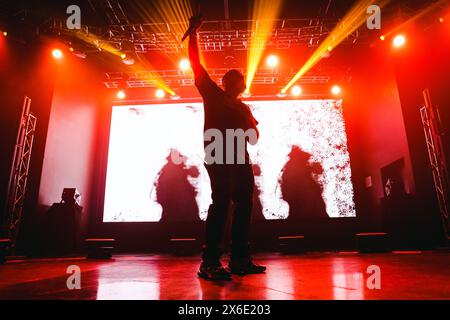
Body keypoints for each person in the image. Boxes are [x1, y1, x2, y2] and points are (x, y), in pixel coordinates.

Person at [188, 14, 266, 280]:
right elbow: (196, 66)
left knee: (244, 206)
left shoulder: (244, 107)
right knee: (220, 204)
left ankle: (239, 260)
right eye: (234, 79)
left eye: (240, 79)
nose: (239, 82)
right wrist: (193, 35)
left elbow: (254, 136)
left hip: (240, 158)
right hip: (219, 155)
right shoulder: (213, 95)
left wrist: (249, 125)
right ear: (227, 83)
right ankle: (209, 262)